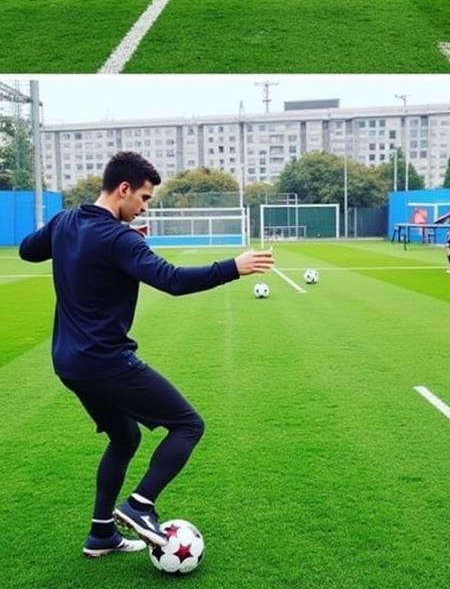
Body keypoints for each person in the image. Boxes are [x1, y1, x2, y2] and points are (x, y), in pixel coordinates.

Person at [18, 151, 275, 557]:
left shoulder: (67, 221)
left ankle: (101, 534)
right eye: (144, 197)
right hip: (105, 361)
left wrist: (66, 235)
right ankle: (140, 506)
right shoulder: (119, 238)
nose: (143, 207)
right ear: (123, 189)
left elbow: (28, 251)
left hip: (68, 362)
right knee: (189, 424)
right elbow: (171, 281)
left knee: (125, 437)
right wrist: (233, 267)